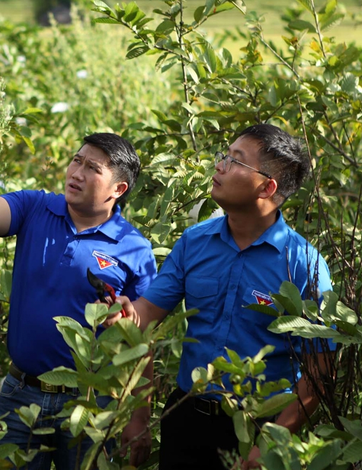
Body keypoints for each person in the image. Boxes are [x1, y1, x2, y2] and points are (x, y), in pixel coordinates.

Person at [0, 133, 157, 469]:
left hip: (91, 403)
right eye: (76, 161)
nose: (77, 173)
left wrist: (139, 418)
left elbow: (143, 339)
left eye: (92, 168)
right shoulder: (35, 207)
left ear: (118, 188)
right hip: (21, 394)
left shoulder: (134, 248)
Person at [116, 124, 335, 470]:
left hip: (257, 427)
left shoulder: (303, 265)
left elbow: (319, 373)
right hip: (186, 419)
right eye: (224, 156)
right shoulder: (195, 241)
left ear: (267, 187)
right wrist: (124, 313)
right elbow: (145, 314)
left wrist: (273, 442)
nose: (219, 166)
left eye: (235, 161)